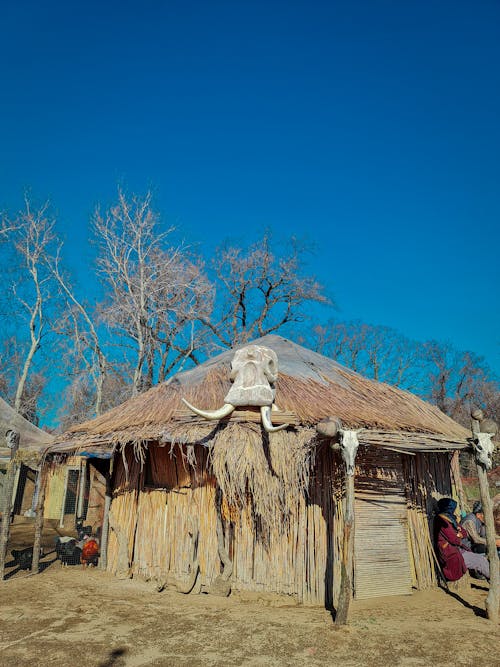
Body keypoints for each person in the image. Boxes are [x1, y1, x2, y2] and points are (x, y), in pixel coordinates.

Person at [435, 497, 490, 581]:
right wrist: (458, 535)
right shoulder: (442, 521)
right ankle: (494, 581)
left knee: (482, 559)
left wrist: (459, 534)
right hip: (451, 553)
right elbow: (454, 539)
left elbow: (464, 532)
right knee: (481, 561)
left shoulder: (451, 519)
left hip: (459, 549)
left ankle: (492, 579)